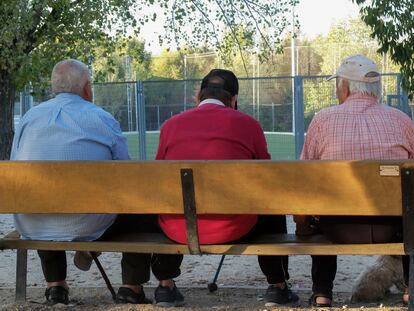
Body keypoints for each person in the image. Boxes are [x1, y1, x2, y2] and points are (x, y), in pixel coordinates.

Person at [10, 59, 166, 306]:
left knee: (46, 196)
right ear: (86, 89)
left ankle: (56, 287)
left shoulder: (29, 118)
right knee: (142, 207)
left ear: (53, 88)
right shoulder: (100, 118)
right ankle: (131, 286)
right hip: (91, 221)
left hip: (33, 220)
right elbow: (128, 173)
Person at [156, 69, 299, 307]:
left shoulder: (171, 126)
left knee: (157, 203)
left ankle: (165, 285)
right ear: (233, 100)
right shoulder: (249, 125)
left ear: (198, 96)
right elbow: (266, 176)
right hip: (234, 226)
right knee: (272, 206)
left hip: (179, 229)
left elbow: (158, 178)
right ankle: (277, 286)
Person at [295, 54, 414, 307]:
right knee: (409, 212)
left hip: (337, 226)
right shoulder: (402, 121)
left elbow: (304, 177)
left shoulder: (322, 120)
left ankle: (322, 292)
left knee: (319, 207)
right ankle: (410, 288)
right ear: (376, 89)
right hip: (392, 227)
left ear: (345, 86)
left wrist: (302, 222)